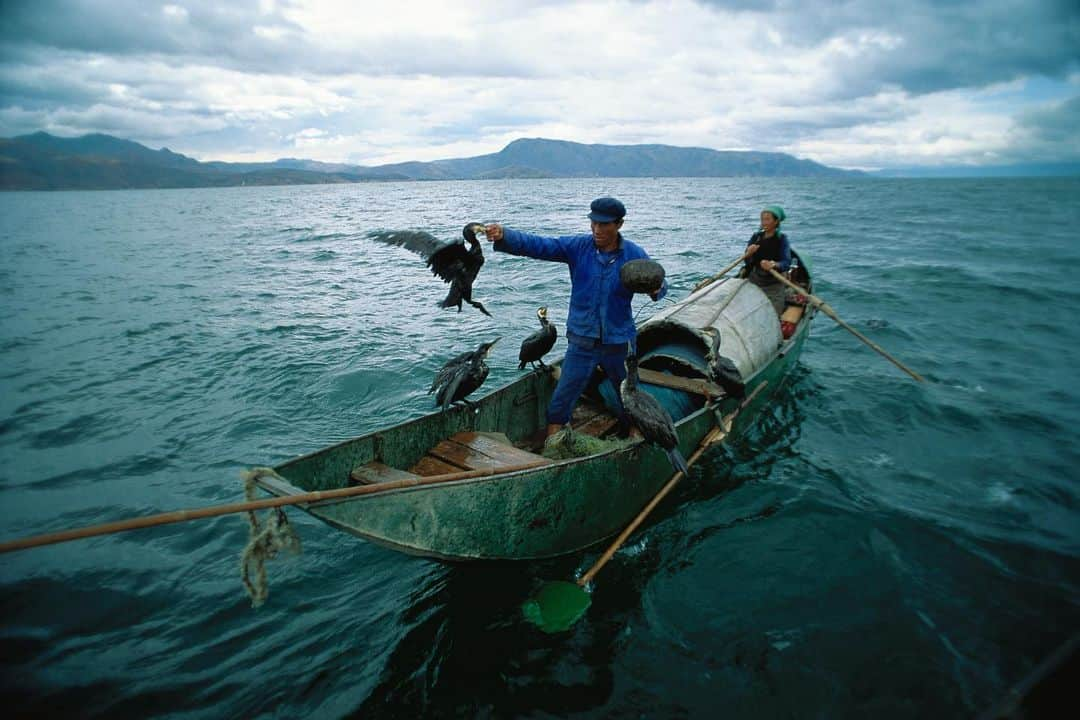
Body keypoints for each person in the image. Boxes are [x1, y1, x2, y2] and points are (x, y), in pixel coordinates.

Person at [485, 197, 668, 438]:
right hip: (582, 340)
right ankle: (553, 446)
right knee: (562, 398)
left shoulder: (634, 254)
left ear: (619, 224)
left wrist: (657, 289)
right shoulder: (579, 247)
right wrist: (504, 236)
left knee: (630, 397)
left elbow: (659, 282)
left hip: (619, 342)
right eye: (593, 223)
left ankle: (633, 442)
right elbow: (540, 245)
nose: (597, 230)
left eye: (604, 225)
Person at [743, 205, 792, 316]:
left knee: (772, 315)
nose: (764, 223)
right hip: (755, 280)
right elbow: (747, 261)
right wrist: (748, 254)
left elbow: (786, 263)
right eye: (762, 219)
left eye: (767, 219)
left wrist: (773, 264)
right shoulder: (756, 237)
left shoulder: (782, 239)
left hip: (774, 284)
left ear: (776, 221)